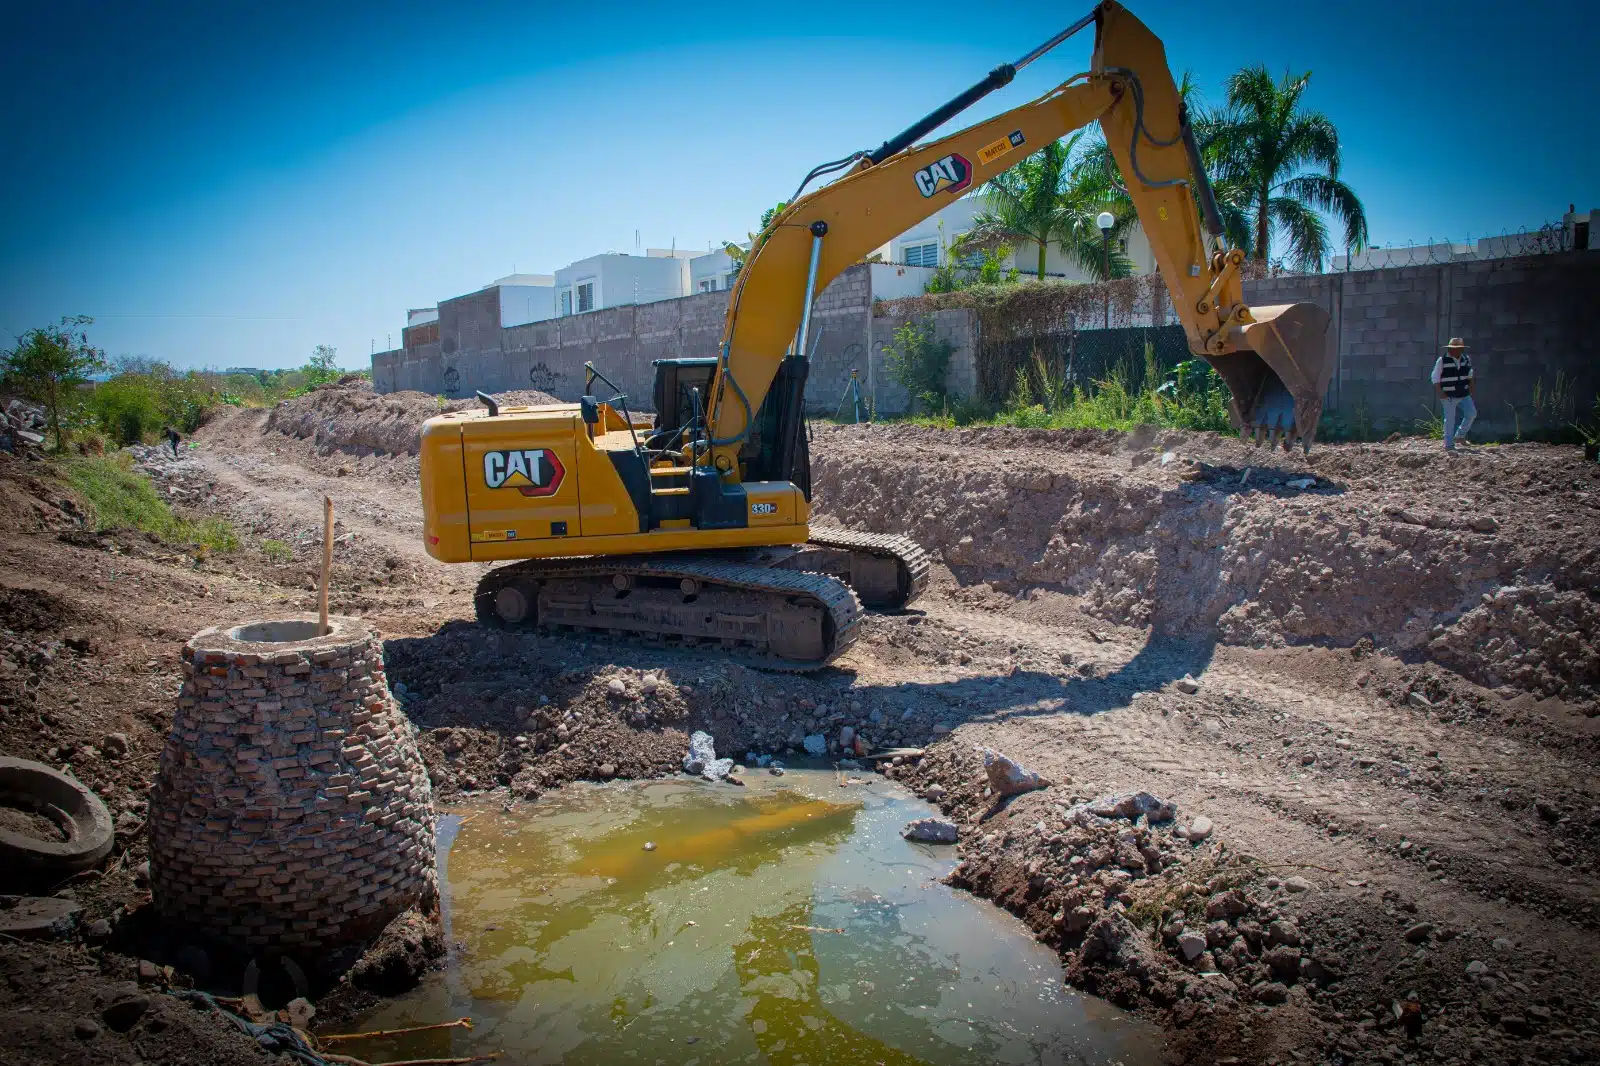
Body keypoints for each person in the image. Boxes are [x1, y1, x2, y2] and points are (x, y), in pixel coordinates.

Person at [1430, 338, 1476, 451]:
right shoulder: (1442, 360)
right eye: (1453, 348)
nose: (1455, 350)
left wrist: (1471, 386)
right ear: (1449, 348)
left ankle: (1460, 436)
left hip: (1464, 393)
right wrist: (1440, 392)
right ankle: (1448, 444)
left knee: (1471, 413)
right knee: (1449, 419)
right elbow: (1435, 377)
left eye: (1458, 348)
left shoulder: (1466, 359)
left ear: (1461, 349)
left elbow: (1469, 374)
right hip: (1448, 394)